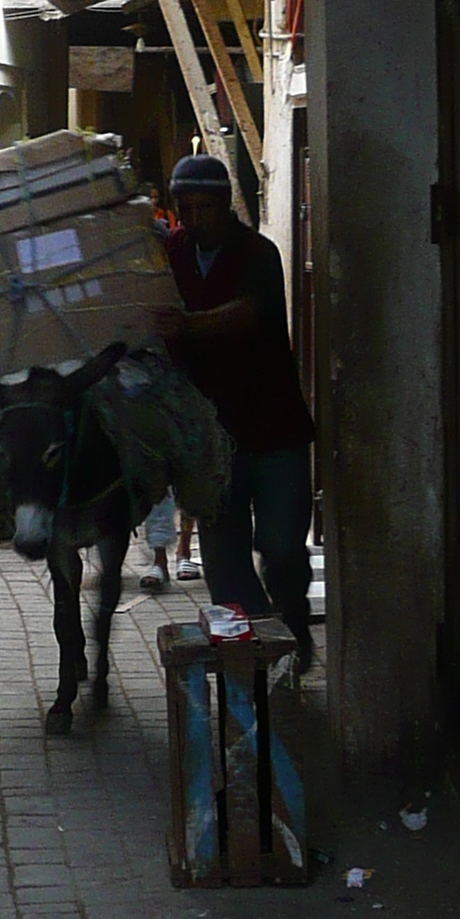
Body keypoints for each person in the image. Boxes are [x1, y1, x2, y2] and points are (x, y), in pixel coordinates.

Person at [160, 150, 316, 668]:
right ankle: (254, 654)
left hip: (273, 429)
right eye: (187, 207)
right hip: (210, 438)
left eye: (206, 207)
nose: (196, 218)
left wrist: (186, 324)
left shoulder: (258, 254)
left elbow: (248, 315)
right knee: (224, 560)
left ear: (227, 204)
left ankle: (291, 622)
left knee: (282, 546)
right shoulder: (170, 254)